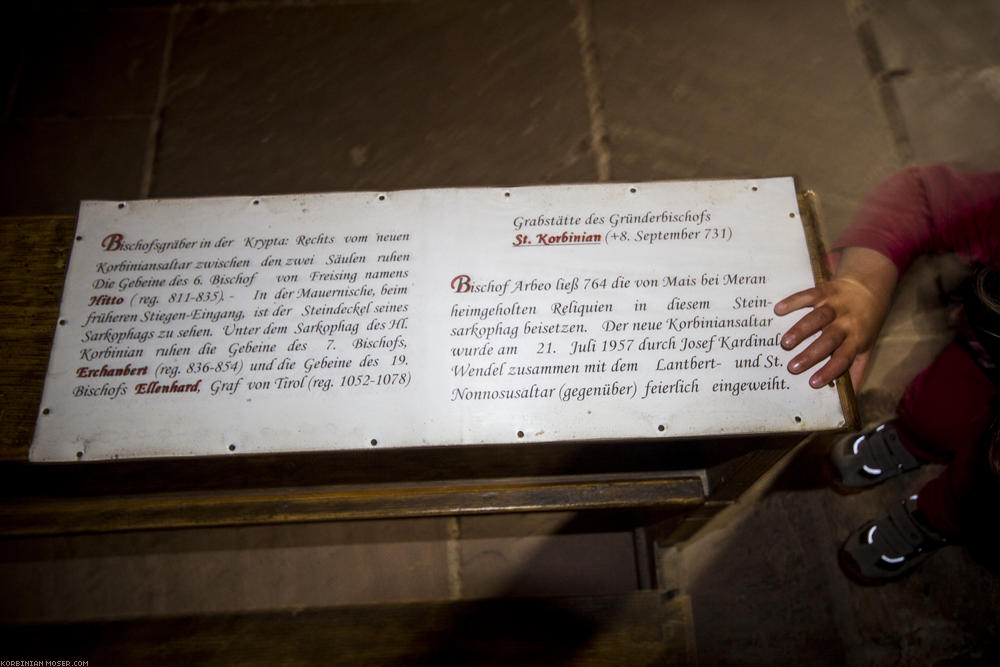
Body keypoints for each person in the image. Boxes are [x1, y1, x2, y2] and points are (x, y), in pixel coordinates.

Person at [774, 163, 1000, 584]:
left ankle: (937, 516)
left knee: (981, 492)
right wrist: (865, 284)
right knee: (935, 410)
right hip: (984, 360)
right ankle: (915, 438)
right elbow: (922, 196)